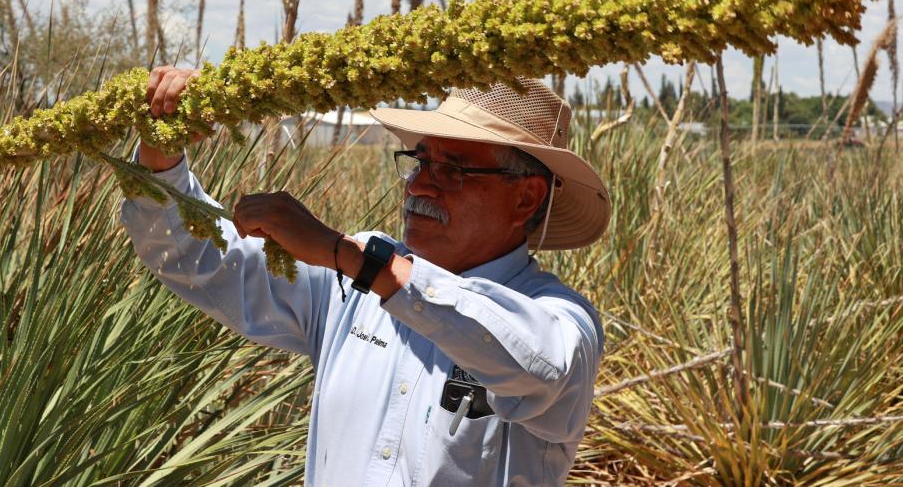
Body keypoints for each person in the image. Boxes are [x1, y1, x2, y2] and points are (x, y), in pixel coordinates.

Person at [120, 68, 612, 486]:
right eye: (421, 161)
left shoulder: (564, 322)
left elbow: (536, 364)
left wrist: (345, 255)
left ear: (525, 197)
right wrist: (161, 159)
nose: (420, 184)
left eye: (452, 170)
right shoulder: (350, 280)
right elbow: (199, 259)